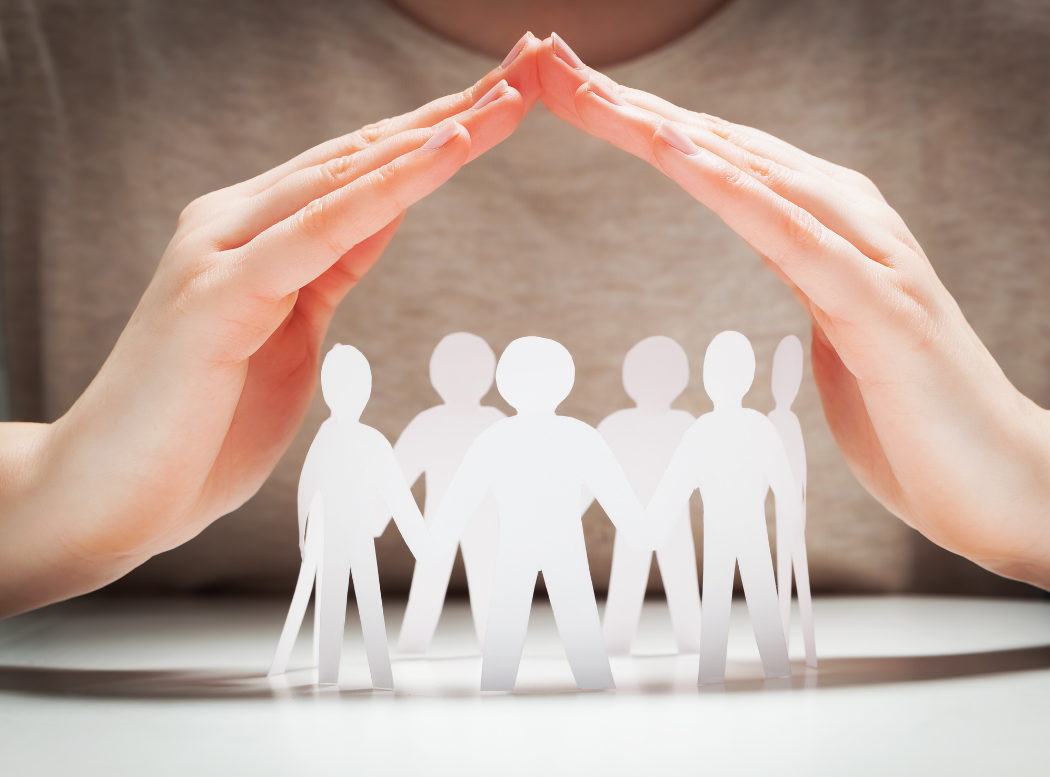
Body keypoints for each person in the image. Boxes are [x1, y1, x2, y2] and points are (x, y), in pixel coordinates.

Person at [1, 8, 1048, 616]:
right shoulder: (45, 45)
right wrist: (37, 501)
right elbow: (431, 492)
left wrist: (1032, 491)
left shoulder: (1014, 54)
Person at [427, 336, 650, 691]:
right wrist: (643, 531)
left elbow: (457, 502)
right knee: (571, 613)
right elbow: (620, 501)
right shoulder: (580, 436)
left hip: (517, 547)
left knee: (508, 612)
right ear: (566, 382)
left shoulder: (494, 438)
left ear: (503, 383)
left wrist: (434, 542)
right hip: (564, 548)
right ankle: (590, 680)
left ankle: (499, 682)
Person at [270, 344, 431, 687]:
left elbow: (308, 487)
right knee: (352, 599)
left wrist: (303, 536)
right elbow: (311, 486)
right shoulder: (363, 440)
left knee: (357, 599)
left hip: (347, 536)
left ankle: (352, 675)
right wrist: (423, 546)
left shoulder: (342, 439)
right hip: (341, 536)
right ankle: (357, 675)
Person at [648, 331, 798, 684]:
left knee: (726, 597)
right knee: (739, 595)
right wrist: (794, 523)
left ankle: (723, 671)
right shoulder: (754, 426)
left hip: (733, 528)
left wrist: (651, 524)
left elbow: (675, 484)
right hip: (739, 528)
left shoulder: (708, 429)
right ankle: (764, 667)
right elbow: (784, 485)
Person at [377, 332, 504, 654]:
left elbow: (396, 476)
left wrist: (374, 519)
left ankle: (418, 646)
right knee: (460, 579)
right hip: (469, 521)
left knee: (455, 579)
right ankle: (492, 648)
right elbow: (397, 475)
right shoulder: (495, 423)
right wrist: (374, 518)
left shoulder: (432, 422)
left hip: (450, 521)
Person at [588, 336, 702, 655]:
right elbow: (593, 475)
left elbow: (591, 477)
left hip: (646, 522)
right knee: (633, 581)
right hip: (644, 523)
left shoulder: (680, 425)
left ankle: (687, 643)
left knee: (673, 584)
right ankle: (619, 644)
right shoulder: (683, 424)